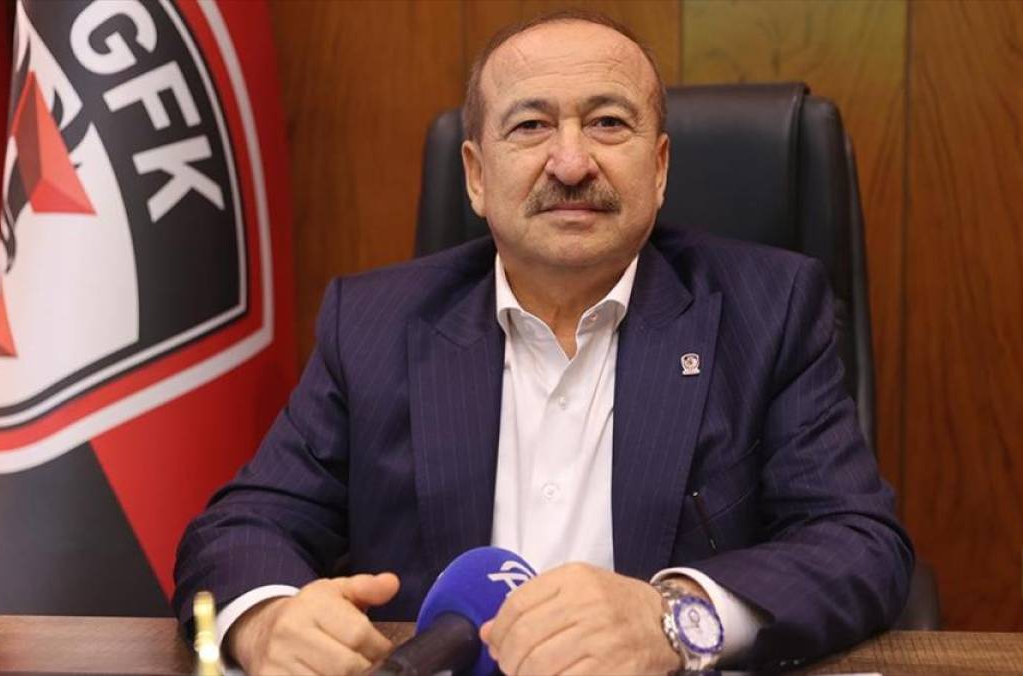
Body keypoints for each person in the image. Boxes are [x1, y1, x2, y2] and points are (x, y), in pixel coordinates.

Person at [173, 10, 913, 675]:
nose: (571, 162)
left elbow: (858, 543)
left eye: (608, 123)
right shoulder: (375, 323)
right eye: (530, 126)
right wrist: (265, 620)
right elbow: (241, 528)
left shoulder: (769, 309)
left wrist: (672, 617)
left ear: (659, 170)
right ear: (475, 175)